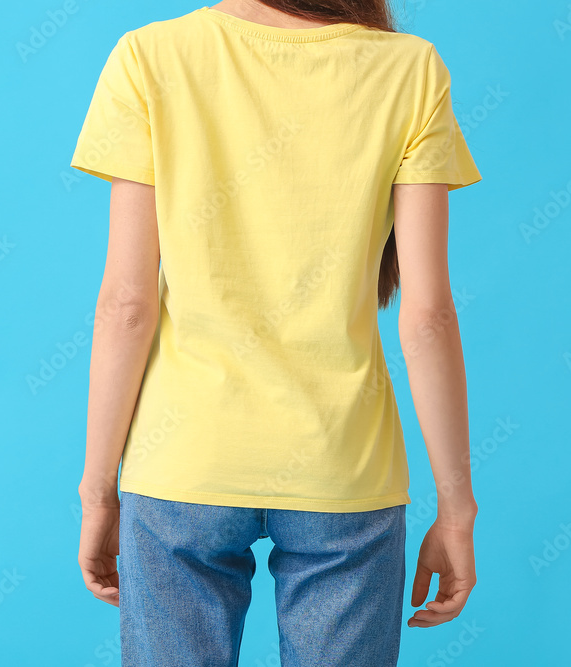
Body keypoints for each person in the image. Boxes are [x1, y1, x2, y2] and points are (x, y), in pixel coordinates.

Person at [70, 1, 481, 665]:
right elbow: (427, 315)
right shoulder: (409, 70)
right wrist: (457, 507)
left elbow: (126, 302)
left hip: (183, 463)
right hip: (345, 470)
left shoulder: (151, 56)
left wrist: (97, 491)